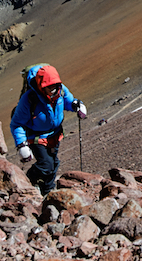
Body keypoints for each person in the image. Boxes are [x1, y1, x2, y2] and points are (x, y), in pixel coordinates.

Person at [11, 64, 87, 195]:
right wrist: (22, 145)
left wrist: (77, 105)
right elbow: (17, 123)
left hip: (55, 135)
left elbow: (68, 102)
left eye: (54, 86)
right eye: (49, 87)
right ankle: (28, 181)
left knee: (53, 163)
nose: (53, 90)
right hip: (36, 137)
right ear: (41, 86)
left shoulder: (61, 90)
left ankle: (47, 189)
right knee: (46, 164)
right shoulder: (29, 99)